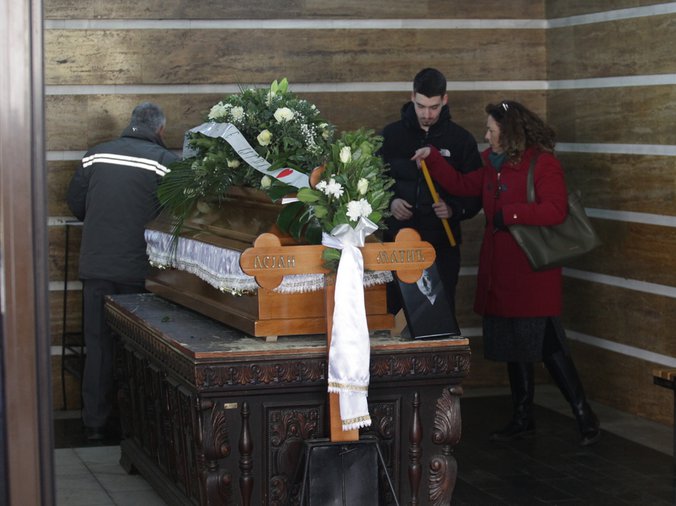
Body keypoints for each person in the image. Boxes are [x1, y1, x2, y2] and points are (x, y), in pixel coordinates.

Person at [411, 100, 601, 446]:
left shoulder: (542, 163)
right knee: (514, 345)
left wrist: (510, 214)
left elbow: (555, 210)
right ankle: (522, 416)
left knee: (548, 345)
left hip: (531, 273)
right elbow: (462, 184)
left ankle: (583, 414)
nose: (486, 136)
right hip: (501, 271)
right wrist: (433, 158)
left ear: (509, 133)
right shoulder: (491, 163)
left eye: (491, 130)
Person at [67, 102, 178, 441]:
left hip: (96, 266)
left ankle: (94, 425)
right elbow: (174, 215)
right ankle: (137, 426)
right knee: (138, 349)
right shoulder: (165, 163)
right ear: (160, 129)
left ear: (131, 123)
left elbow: (77, 204)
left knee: (98, 344)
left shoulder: (95, 155)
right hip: (138, 271)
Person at [380, 67, 482, 319]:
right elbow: (371, 185)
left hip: (442, 245)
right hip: (397, 241)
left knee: (440, 318)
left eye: (434, 107)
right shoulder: (389, 136)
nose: (427, 114)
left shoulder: (461, 140)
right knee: (394, 315)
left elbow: (476, 193)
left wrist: (454, 209)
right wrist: (390, 203)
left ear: (445, 100)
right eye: (421, 106)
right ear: (412, 97)